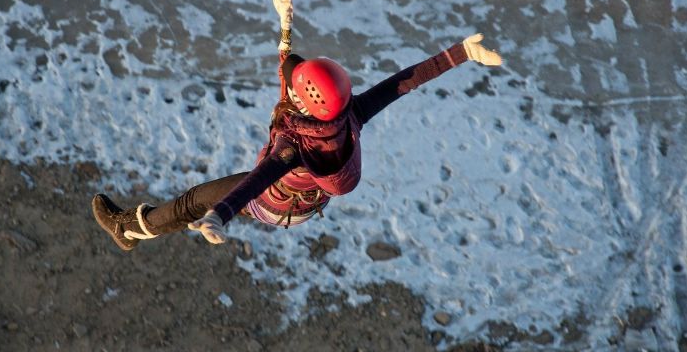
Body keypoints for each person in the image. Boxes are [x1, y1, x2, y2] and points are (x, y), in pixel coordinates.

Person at [92, 33, 502, 250]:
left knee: (192, 201)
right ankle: (138, 228)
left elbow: (254, 182)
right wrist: (461, 53)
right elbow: (403, 82)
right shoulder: (344, 116)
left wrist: (219, 214)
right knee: (203, 199)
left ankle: (127, 231)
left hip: (272, 203)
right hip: (306, 203)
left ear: (306, 106)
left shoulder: (291, 149)